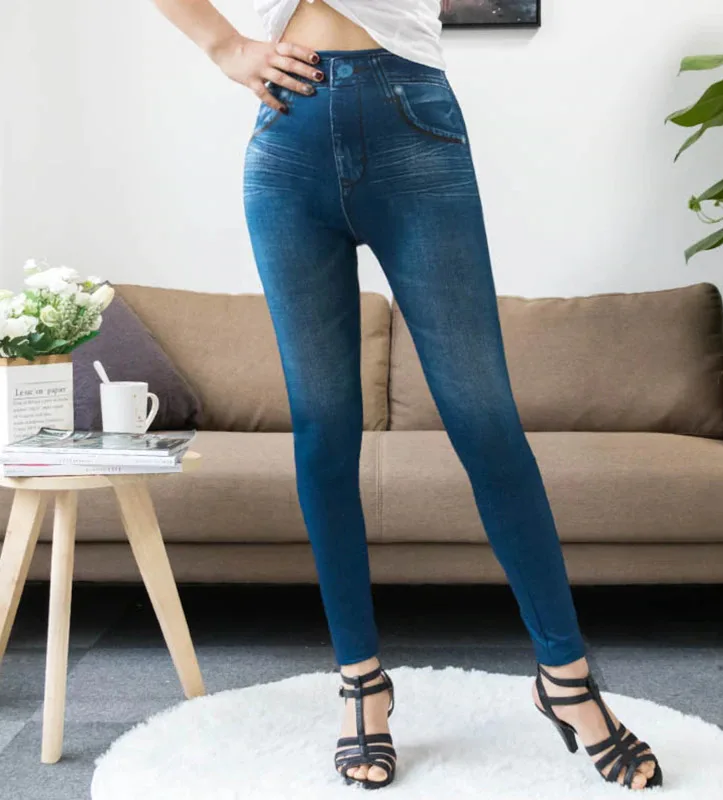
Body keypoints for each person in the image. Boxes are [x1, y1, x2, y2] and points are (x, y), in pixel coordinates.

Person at [152, 0, 663, 791]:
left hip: (412, 123)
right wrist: (223, 45)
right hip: (287, 137)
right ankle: (362, 684)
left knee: (486, 425)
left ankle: (565, 677)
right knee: (324, 433)